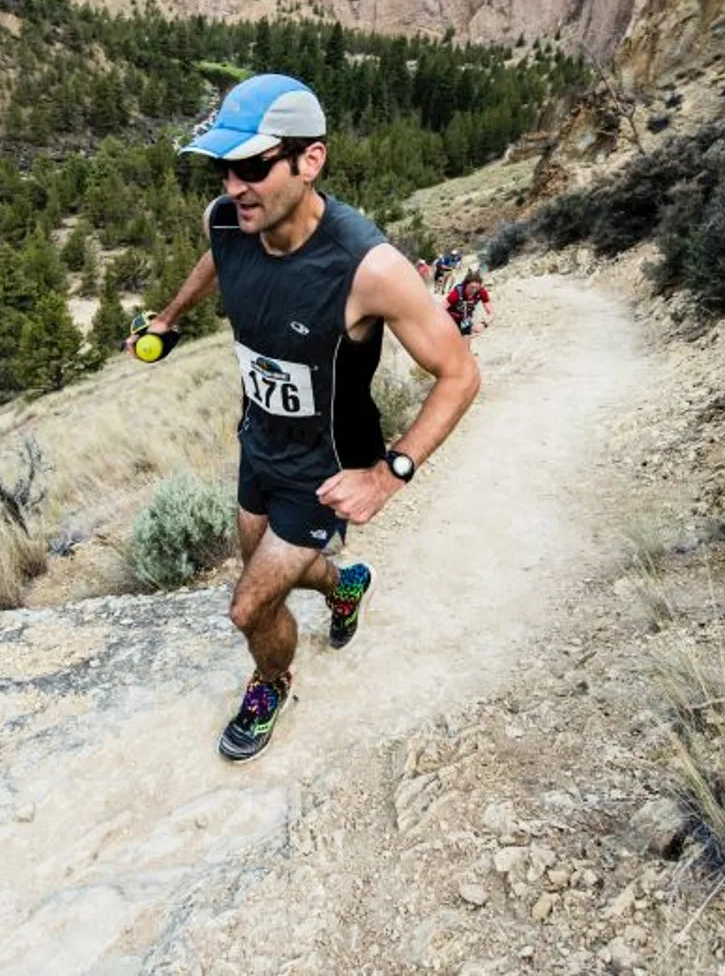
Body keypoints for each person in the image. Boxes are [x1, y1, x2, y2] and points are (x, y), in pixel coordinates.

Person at [130, 74, 481, 763]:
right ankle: (345, 585)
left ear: (309, 160)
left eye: (253, 166)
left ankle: (271, 683)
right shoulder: (228, 220)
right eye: (224, 167)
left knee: (249, 606)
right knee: (264, 563)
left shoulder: (367, 268)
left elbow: (461, 373)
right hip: (259, 440)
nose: (234, 185)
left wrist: (388, 474)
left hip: (326, 466)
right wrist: (169, 318)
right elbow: (216, 256)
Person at [445, 267, 494, 338]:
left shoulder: (481, 292)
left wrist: (483, 324)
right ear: (466, 285)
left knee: (467, 340)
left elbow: (492, 313)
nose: (474, 290)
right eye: (472, 287)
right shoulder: (457, 293)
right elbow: (440, 309)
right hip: (450, 319)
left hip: (465, 320)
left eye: (477, 288)